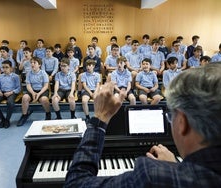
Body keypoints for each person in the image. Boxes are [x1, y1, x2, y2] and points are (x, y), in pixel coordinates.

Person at [64, 63, 221, 188]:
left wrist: (100, 119)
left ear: (182, 122)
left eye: (171, 116)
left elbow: (75, 184)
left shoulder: (153, 176)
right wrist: (177, 168)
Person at [17, 57, 51, 126]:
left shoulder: (43, 73)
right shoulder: (29, 73)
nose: (32, 64)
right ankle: (24, 115)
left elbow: (46, 86)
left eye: (34, 63)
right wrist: (32, 93)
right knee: (25, 98)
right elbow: (28, 85)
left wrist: (38, 94)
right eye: (31, 62)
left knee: (44, 99)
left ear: (39, 65)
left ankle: (48, 114)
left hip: (42, 90)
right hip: (32, 90)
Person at [0, 60, 21, 129]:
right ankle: (2, 119)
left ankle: (7, 120)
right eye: (3, 67)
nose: (5, 69)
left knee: (10, 103)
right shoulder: (0, 77)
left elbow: (18, 88)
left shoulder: (15, 76)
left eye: (7, 67)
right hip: (2, 92)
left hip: (11, 92)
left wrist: (11, 92)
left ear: (11, 68)